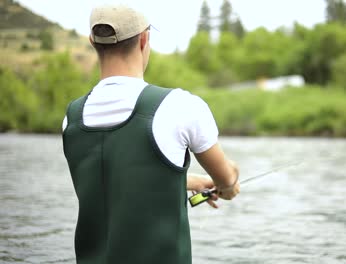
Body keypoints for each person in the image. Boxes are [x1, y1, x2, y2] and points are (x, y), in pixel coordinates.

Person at [62, 4, 240, 264]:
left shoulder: (72, 117)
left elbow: (113, 175)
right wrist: (228, 180)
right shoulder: (180, 106)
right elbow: (226, 179)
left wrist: (188, 180)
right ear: (145, 38)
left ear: (92, 41)